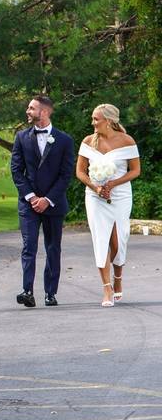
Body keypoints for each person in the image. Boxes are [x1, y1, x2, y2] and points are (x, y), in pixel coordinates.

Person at [10, 95, 75, 308]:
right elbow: (16, 171)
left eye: (31, 108)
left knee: (53, 247)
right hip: (28, 204)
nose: (27, 111)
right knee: (29, 246)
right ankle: (27, 291)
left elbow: (66, 175)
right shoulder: (21, 137)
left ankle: (50, 293)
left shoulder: (64, 140)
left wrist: (47, 199)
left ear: (44, 112)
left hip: (53, 204)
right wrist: (32, 197)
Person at [75, 104, 140, 307]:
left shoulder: (127, 141)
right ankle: (106, 288)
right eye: (93, 119)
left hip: (120, 195)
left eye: (96, 119)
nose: (93, 123)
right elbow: (80, 172)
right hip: (95, 197)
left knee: (118, 241)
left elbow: (135, 171)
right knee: (100, 239)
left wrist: (113, 183)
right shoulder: (88, 142)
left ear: (110, 121)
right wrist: (95, 186)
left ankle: (118, 278)